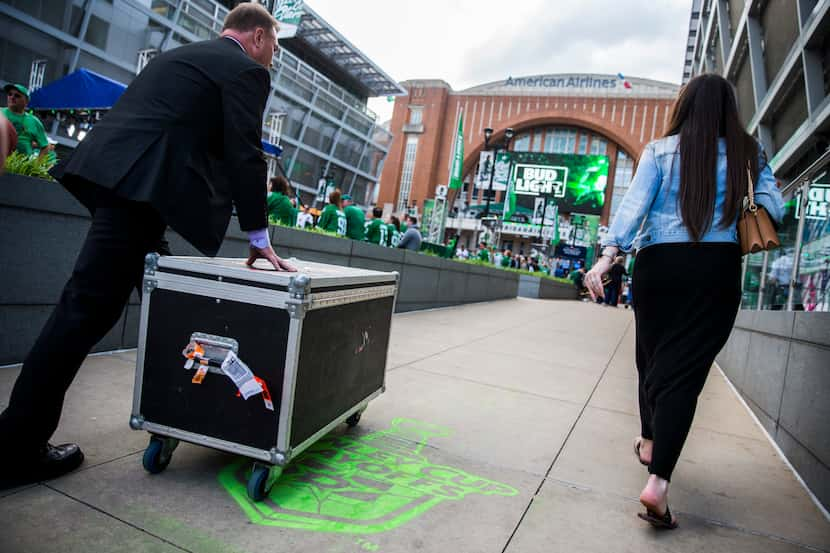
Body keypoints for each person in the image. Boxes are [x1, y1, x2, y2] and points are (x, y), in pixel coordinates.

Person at [0, 3, 297, 490]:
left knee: (166, 304)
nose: (272, 61)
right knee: (83, 312)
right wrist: (259, 237)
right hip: (138, 192)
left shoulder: (185, 55)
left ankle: (194, 409)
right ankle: (15, 445)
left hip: (116, 179)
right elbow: (245, 151)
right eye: (275, 50)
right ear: (259, 38)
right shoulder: (245, 70)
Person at [584, 74, 784, 529]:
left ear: (685, 107)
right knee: (683, 372)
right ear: (729, 110)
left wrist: (606, 259)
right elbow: (776, 208)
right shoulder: (749, 154)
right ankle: (657, 475)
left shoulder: (659, 150)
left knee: (652, 358)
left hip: (658, 265)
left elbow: (631, 211)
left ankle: (654, 449)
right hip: (716, 268)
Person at [2, 83, 54, 161]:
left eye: (17, 96)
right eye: (10, 94)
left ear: (26, 101)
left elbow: (45, 146)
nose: (12, 97)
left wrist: (35, 167)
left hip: (18, 168)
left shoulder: (34, 121)